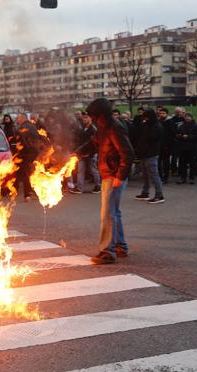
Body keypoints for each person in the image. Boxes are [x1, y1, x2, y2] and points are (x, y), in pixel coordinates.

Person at [75, 98, 134, 265]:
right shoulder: (103, 127)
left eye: (93, 115)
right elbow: (93, 143)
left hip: (113, 175)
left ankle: (107, 251)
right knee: (114, 212)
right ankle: (120, 246)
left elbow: (128, 154)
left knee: (108, 213)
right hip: (109, 173)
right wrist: (77, 153)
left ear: (100, 114)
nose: (91, 119)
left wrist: (119, 177)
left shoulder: (115, 128)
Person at [134, 108, 164, 203]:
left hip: (152, 153)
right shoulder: (145, 125)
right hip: (144, 153)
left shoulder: (156, 126)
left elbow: (151, 138)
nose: (145, 119)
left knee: (154, 174)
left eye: (146, 117)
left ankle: (159, 195)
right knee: (145, 175)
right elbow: (139, 136)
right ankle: (145, 192)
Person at [15, 113, 45, 201]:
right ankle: (33, 192)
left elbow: (22, 141)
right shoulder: (32, 126)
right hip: (35, 152)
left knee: (26, 174)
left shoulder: (22, 128)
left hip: (26, 153)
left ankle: (27, 194)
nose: (17, 120)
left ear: (22, 118)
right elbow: (39, 138)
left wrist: (21, 152)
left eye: (18, 118)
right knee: (32, 172)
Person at [69, 112, 101, 194]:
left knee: (94, 170)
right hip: (82, 154)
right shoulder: (83, 128)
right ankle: (79, 188)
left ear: (91, 118)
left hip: (91, 154)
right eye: (83, 118)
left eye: (86, 117)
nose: (84, 119)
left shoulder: (93, 129)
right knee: (80, 170)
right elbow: (80, 141)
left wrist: (90, 153)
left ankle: (98, 186)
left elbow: (95, 144)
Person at [175, 112, 197, 184]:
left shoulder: (196, 126)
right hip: (182, 147)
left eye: (189, 117)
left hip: (192, 147)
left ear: (192, 118)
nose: (187, 118)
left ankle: (191, 177)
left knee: (192, 163)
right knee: (182, 163)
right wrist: (179, 136)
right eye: (186, 117)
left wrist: (188, 136)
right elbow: (177, 134)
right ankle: (183, 177)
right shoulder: (181, 126)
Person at [157, 108, 175, 184]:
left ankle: (165, 177)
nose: (162, 114)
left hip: (166, 146)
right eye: (161, 113)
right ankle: (160, 176)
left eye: (163, 113)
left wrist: (167, 144)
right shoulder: (158, 121)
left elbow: (171, 134)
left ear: (167, 114)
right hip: (158, 145)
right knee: (158, 162)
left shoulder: (170, 122)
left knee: (166, 162)